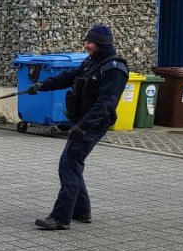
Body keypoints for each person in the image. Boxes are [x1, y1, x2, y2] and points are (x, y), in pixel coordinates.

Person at [27, 24, 129, 230]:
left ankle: (60, 217)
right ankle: (81, 211)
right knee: (72, 164)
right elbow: (69, 76)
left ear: (101, 44)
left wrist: (83, 126)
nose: (86, 45)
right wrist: (42, 85)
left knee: (68, 164)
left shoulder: (114, 70)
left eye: (90, 42)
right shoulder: (92, 61)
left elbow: (106, 104)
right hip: (81, 121)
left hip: (92, 124)